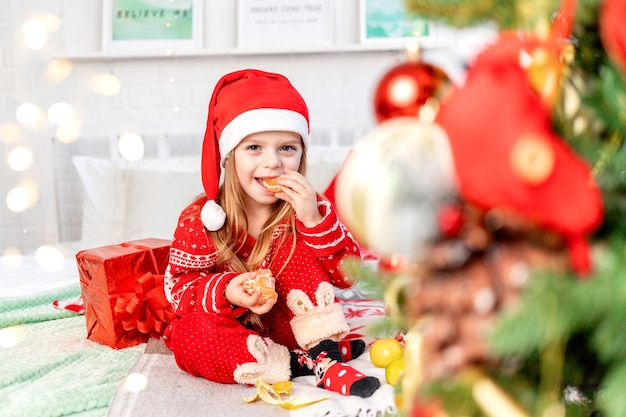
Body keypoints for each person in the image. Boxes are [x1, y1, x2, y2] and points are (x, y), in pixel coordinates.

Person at [162, 69, 380, 398]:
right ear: (229, 156)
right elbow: (179, 290)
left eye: (287, 148)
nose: (273, 162)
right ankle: (300, 364)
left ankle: (325, 355)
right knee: (186, 335)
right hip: (240, 334)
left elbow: (350, 275)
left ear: (302, 155)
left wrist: (313, 219)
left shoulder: (310, 207)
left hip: (296, 326)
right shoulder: (201, 219)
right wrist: (227, 291)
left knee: (297, 240)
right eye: (254, 148)